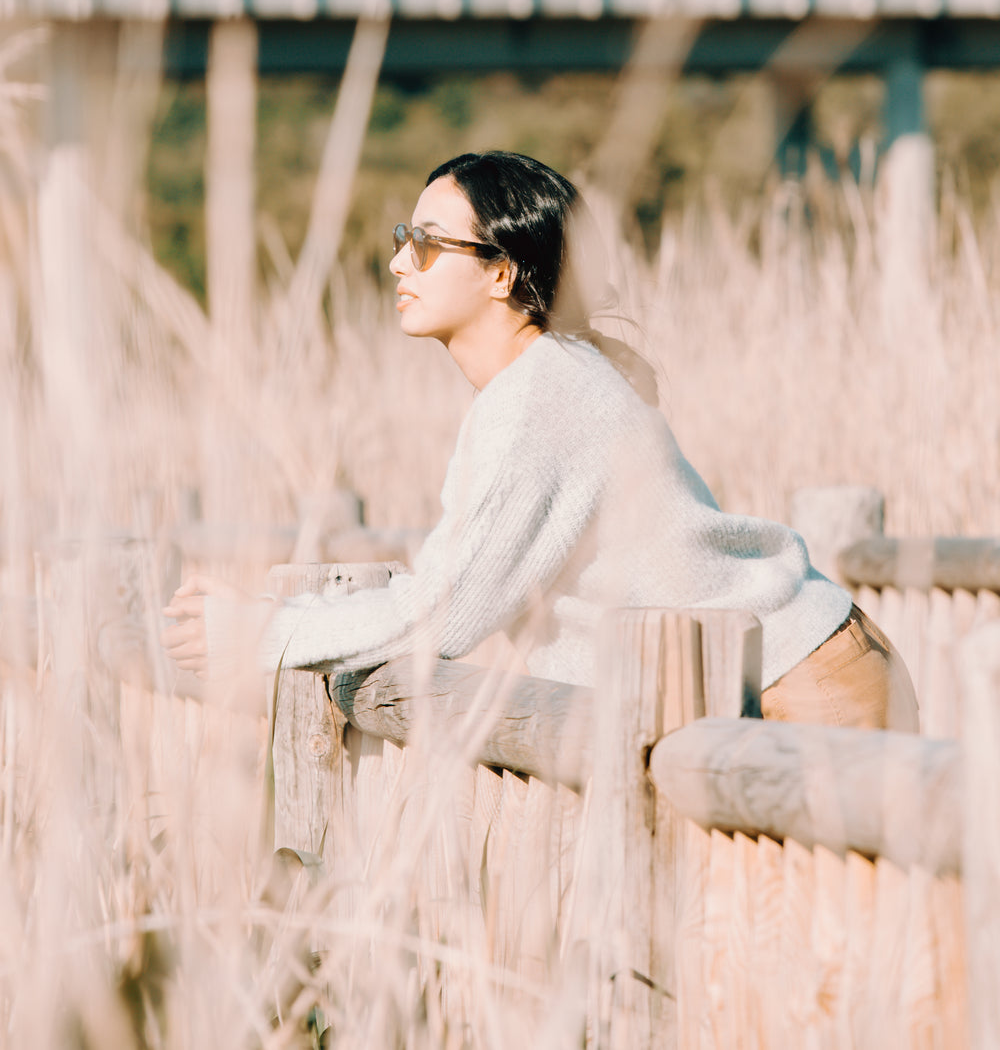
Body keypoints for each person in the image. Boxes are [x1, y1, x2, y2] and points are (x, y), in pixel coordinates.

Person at [162, 150, 918, 732]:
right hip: (760, 681)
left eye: (424, 244)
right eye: (402, 240)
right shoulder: (535, 387)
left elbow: (446, 616)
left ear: (502, 272)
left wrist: (263, 633)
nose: (398, 262)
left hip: (803, 683)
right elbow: (453, 583)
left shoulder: (542, 397)